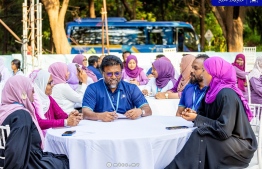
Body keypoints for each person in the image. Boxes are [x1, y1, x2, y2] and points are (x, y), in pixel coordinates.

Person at [165, 57, 256, 169]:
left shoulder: (226, 94)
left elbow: (224, 130)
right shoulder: (211, 91)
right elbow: (206, 117)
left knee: (199, 135)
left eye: (204, 70)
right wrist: (194, 115)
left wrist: (197, 117)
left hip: (240, 145)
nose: (202, 74)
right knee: (197, 134)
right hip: (227, 139)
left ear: (214, 73)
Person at [0, 75, 69, 169]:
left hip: (10, 161)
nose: (33, 93)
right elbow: (15, 153)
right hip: (29, 162)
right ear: (22, 93)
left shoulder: (4, 111)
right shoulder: (22, 115)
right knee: (65, 161)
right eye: (31, 89)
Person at [82, 55, 152, 122]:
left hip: (128, 128)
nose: (114, 77)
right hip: (102, 127)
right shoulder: (93, 88)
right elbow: (85, 112)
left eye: (117, 73)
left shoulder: (131, 88)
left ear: (121, 73)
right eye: (109, 74)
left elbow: (148, 109)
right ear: (103, 73)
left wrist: (140, 111)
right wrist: (99, 116)